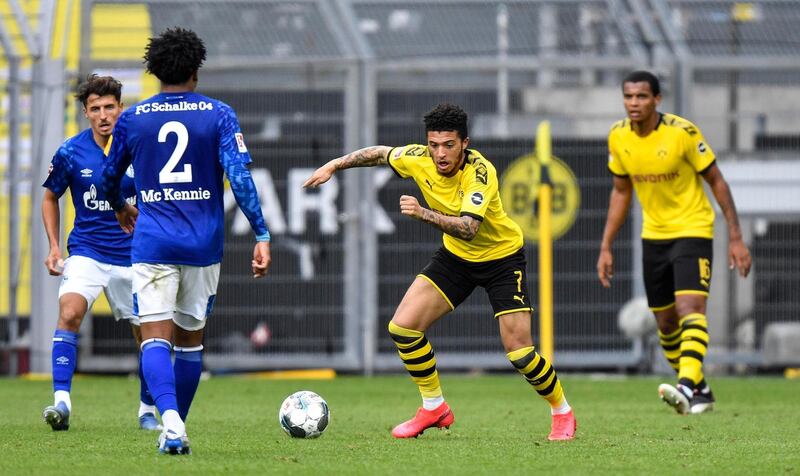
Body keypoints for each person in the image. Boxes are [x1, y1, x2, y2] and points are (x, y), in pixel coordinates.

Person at [304, 103, 577, 441]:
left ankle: (561, 411)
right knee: (403, 328)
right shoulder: (420, 157)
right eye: (434, 145)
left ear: (465, 143)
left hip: (502, 259)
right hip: (456, 258)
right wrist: (335, 164)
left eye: (448, 145)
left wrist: (422, 214)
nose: (440, 153)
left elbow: (468, 227)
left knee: (520, 352)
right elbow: (380, 154)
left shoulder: (480, 173)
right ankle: (434, 407)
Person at [101, 27, 271, 455]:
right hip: (203, 246)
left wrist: (121, 204)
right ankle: (175, 425)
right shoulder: (219, 114)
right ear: (196, 71)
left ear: (155, 71)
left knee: (154, 337)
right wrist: (262, 233)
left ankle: (171, 422)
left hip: (153, 243)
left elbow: (108, 178)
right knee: (191, 339)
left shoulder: (133, 118)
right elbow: (241, 177)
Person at [597, 70, 752, 415]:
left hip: (693, 229)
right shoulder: (618, 137)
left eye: (641, 97)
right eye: (629, 97)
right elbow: (621, 191)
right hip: (654, 235)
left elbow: (717, 181)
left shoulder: (682, 132)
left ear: (657, 100)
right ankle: (700, 388)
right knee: (666, 323)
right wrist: (606, 245)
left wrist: (736, 237)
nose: (634, 103)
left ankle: (684, 385)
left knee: (690, 309)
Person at [41, 74, 161, 432]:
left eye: (110, 106)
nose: (104, 114)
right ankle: (61, 403)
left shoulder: (141, 148)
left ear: (121, 109)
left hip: (135, 256)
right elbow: (50, 195)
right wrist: (53, 246)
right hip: (88, 252)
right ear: (86, 112)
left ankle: (146, 411)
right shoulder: (70, 151)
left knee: (148, 336)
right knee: (70, 312)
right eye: (96, 108)